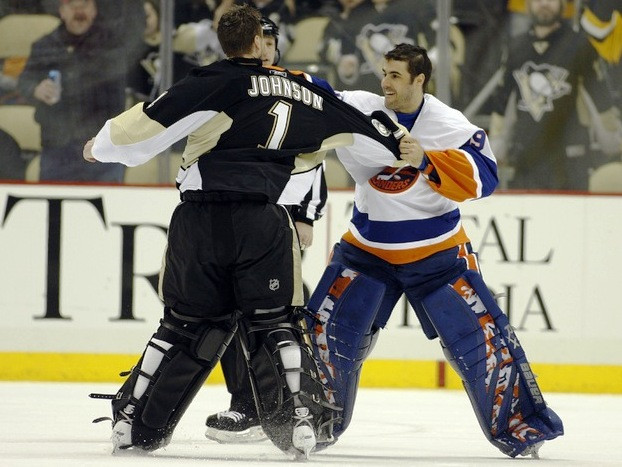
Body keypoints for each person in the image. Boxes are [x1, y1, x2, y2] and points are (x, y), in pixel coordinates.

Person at [204, 43, 565, 458]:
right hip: (367, 251)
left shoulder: (449, 124)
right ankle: (311, 423)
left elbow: (485, 178)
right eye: (384, 73)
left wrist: (427, 159)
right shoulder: (361, 107)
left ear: (419, 79)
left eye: (395, 75)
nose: (385, 82)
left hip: (438, 256)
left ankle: (522, 430)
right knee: (324, 337)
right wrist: (268, 72)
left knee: (481, 342)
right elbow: (315, 92)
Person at [84, 4, 407, 458]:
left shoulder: (211, 81)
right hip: (263, 220)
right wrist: (400, 146)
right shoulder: (304, 89)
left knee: (184, 325)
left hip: (199, 221)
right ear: (260, 42)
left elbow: (147, 124)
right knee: (276, 322)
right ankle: (297, 419)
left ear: (225, 42)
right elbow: (363, 130)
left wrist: (100, 147)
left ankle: (136, 422)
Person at [203, 16, 328, 444]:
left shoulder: (300, 86)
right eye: (262, 40)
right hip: (236, 213)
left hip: (279, 218)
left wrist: (307, 214)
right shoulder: (235, 86)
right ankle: (249, 404)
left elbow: (318, 154)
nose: (266, 48)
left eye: (272, 41)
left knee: (275, 316)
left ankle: (288, 407)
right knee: (233, 313)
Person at [489, 0, 619, 190]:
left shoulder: (580, 46)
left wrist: (613, 142)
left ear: (563, 4)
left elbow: (601, 103)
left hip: (570, 165)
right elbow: (502, 104)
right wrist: (495, 150)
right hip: (526, 164)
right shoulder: (516, 48)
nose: (544, 4)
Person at [17, 0, 126, 182]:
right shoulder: (45, 45)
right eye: (72, 6)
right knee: (53, 204)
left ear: (94, 10)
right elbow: (24, 80)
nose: (79, 12)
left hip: (101, 145)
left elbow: (119, 94)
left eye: (84, 5)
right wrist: (35, 89)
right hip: (57, 147)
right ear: (61, 11)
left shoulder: (111, 45)